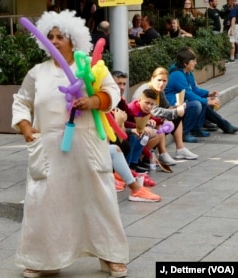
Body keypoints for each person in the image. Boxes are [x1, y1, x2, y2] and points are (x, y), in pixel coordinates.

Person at [11, 10, 128, 278]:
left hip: (86, 145)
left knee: (99, 200)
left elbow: (111, 91)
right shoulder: (37, 72)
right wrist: (26, 126)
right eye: (49, 36)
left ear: (73, 39)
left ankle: (111, 256)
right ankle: (44, 260)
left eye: (59, 36)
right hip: (49, 150)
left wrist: (94, 101)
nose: (54, 40)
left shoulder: (89, 66)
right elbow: (21, 100)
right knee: (46, 203)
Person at [165, 46, 238, 139]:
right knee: (197, 104)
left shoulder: (187, 72)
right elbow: (189, 94)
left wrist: (208, 94)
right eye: (193, 61)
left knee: (202, 101)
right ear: (185, 63)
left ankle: (197, 129)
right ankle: (185, 133)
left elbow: (194, 89)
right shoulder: (177, 74)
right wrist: (206, 101)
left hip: (183, 100)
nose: (196, 63)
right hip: (173, 103)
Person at [132, 67, 198, 160]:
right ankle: (161, 154)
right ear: (152, 79)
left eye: (164, 81)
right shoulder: (147, 90)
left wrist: (176, 107)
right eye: (159, 80)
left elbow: (167, 107)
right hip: (140, 123)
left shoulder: (159, 91)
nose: (161, 83)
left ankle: (180, 149)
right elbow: (153, 110)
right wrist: (174, 112)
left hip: (151, 120)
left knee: (175, 116)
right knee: (170, 118)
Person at [128, 89, 177, 166]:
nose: (149, 106)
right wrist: (150, 156)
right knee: (157, 134)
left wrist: (163, 121)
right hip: (130, 135)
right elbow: (138, 133)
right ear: (140, 100)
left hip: (137, 136)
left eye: (152, 104)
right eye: (147, 103)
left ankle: (162, 154)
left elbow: (151, 118)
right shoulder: (134, 109)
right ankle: (138, 159)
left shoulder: (143, 109)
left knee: (159, 129)